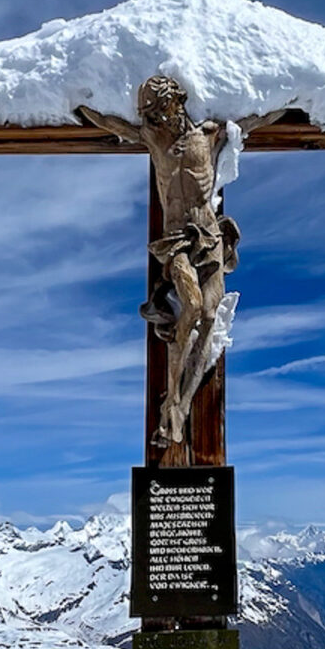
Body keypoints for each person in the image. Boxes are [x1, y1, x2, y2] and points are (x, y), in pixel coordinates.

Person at [75, 76, 282, 447]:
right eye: (152, 112)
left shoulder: (210, 134)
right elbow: (115, 125)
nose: (159, 117)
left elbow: (252, 122)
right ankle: (172, 399)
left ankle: (180, 407)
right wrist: (79, 105)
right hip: (176, 241)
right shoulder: (155, 138)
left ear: (178, 101)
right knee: (192, 306)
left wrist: (290, 103)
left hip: (210, 236)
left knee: (209, 317)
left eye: (161, 108)